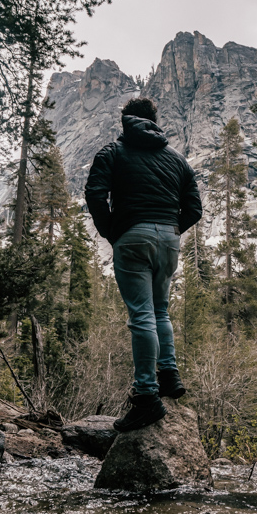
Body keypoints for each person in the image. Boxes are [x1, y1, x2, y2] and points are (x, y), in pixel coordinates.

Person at [84, 97, 202, 432]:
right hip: (169, 240)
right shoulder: (178, 160)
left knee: (142, 315)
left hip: (132, 237)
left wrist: (112, 232)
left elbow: (94, 194)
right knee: (160, 310)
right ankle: (170, 374)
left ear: (126, 121)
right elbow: (194, 208)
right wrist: (171, 228)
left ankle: (147, 397)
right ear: (154, 121)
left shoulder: (113, 152)